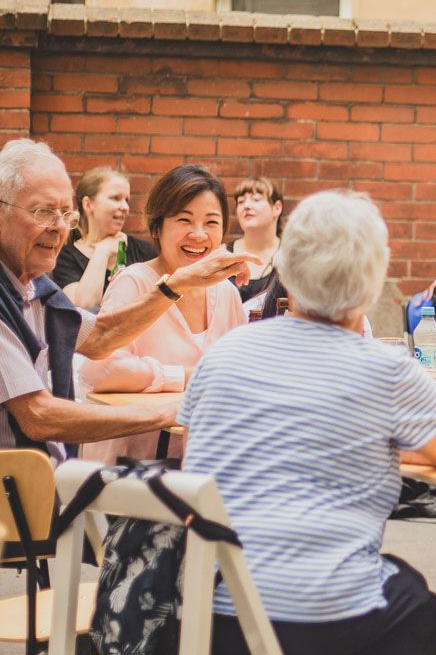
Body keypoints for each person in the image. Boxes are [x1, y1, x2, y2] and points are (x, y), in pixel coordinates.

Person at [187, 190, 436, 655]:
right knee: (434, 625)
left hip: (206, 621)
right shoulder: (384, 368)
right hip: (313, 615)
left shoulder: (225, 354)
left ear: (286, 272)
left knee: (310, 582)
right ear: (372, 277)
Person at [0, 139, 255, 465]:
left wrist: (179, 283)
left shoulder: (38, 290)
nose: (60, 227)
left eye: (67, 214)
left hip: (47, 482)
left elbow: (102, 338)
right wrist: (171, 411)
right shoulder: (12, 295)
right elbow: (39, 416)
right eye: (44, 212)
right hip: (18, 497)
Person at [80, 165, 249, 464]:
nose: (198, 234)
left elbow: (239, 375)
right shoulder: (135, 281)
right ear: (157, 227)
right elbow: (101, 370)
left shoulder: (227, 293)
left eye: (211, 222)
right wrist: (183, 376)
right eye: (184, 220)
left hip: (200, 464)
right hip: (131, 468)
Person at [51, 166, 156, 310]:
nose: (125, 206)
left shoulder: (145, 252)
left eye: (127, 200)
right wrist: (103, 251)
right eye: (115, 198)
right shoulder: (66, 257)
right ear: (88, 204)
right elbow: (85, 307)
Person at [230, 176, 284, 314]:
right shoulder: (222, 254)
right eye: (241, 202)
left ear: (277, 208)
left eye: (256, 199)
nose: (246, 206)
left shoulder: (291, 256)